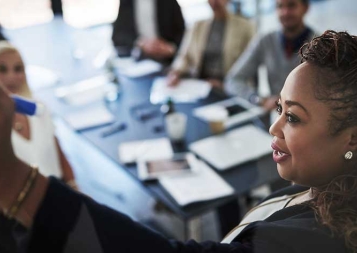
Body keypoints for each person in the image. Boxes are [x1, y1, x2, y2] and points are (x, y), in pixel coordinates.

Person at [0, 30, 356, 252]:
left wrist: (13, 174)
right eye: (278, 108)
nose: (273, 128)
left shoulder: (314, 241)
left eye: (292, 117)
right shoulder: (320, 188)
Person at [0, 41, 76, 187]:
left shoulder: (38, 109)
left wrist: (73, 185)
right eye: (2, 69)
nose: (11, 77)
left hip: (56, 191)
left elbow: (57, 151)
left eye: (18, 69)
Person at [225, 0, 316, 111]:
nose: (285, 12)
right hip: (275, 117)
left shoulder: (321, 46)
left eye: (291, 5)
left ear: (305, 8)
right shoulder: (265, 41)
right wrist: (257, 99)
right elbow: (233, 80)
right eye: (280, 6)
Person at [167, 0, 254, 90]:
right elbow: (184, 56)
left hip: (228, 87)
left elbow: (250, 67)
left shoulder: (245, 27)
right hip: (200, 84)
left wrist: (224, 85)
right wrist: (175, 72)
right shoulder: (198, 25)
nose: (214, 1)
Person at [111, 0, 185, 63]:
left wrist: (171, 48)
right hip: (139, 60)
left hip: (168, 60)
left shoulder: (169, 2)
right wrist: (140, 43)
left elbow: (183, 33)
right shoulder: (126, 2)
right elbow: (118, 36)